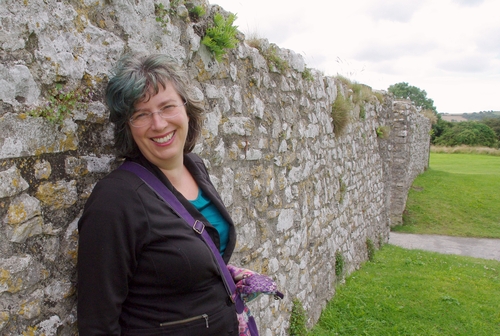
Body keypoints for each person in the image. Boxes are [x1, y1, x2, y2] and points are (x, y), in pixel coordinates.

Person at [77, 53, 240, 335]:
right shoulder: (115, 200)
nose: (159, 124)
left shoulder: (195, 166)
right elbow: (97, 324)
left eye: (167, 107)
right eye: (141, 114)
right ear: (128, 128)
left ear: (186, 110)